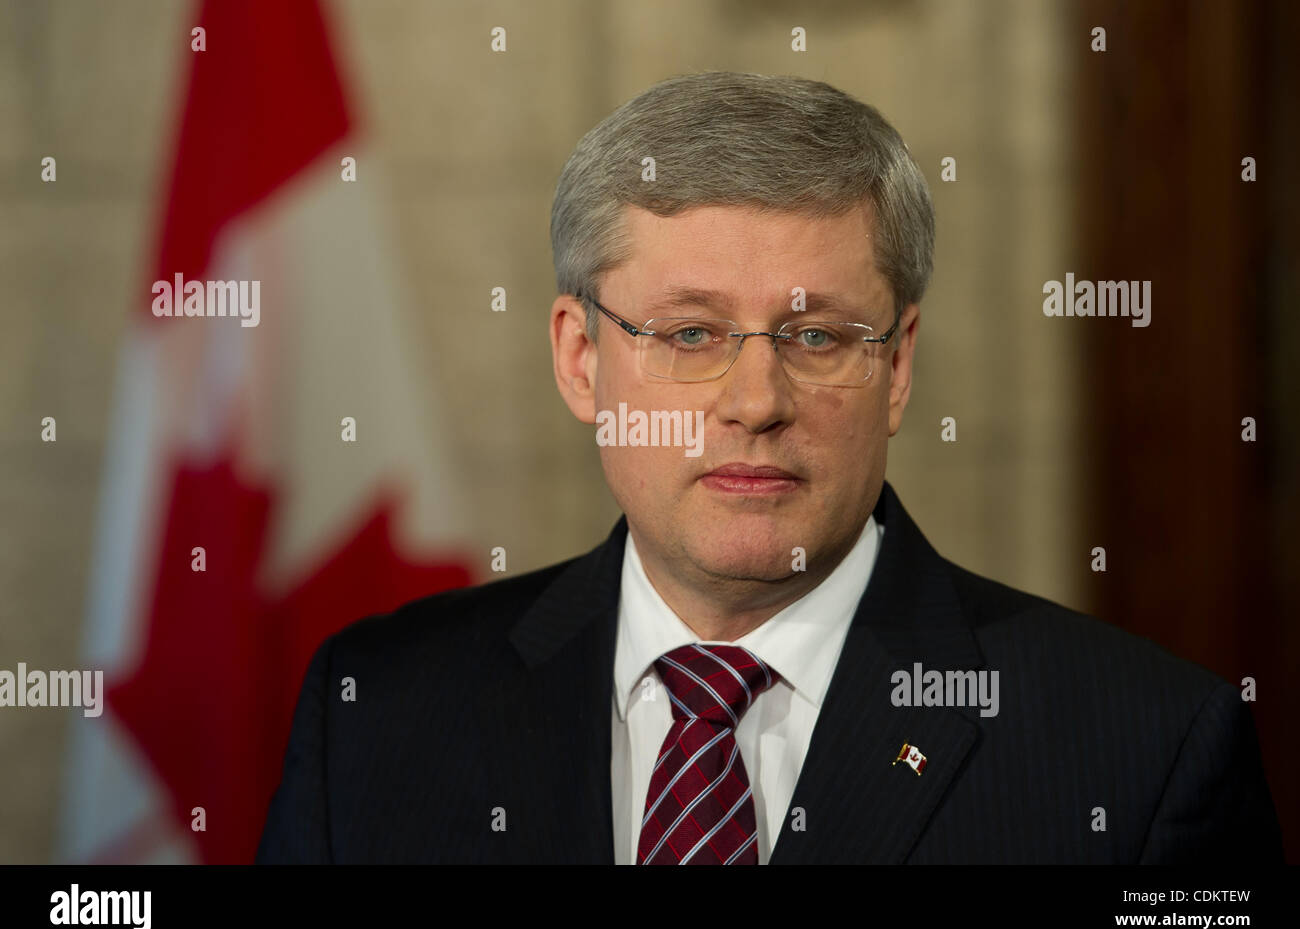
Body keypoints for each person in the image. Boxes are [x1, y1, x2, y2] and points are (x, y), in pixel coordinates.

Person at [257, 70, 1282, 864]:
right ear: (580, 359)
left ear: (897, 366)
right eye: (690, 334)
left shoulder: (1144, 753)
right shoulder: (376, 715)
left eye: (819, 337)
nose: (755, 402)